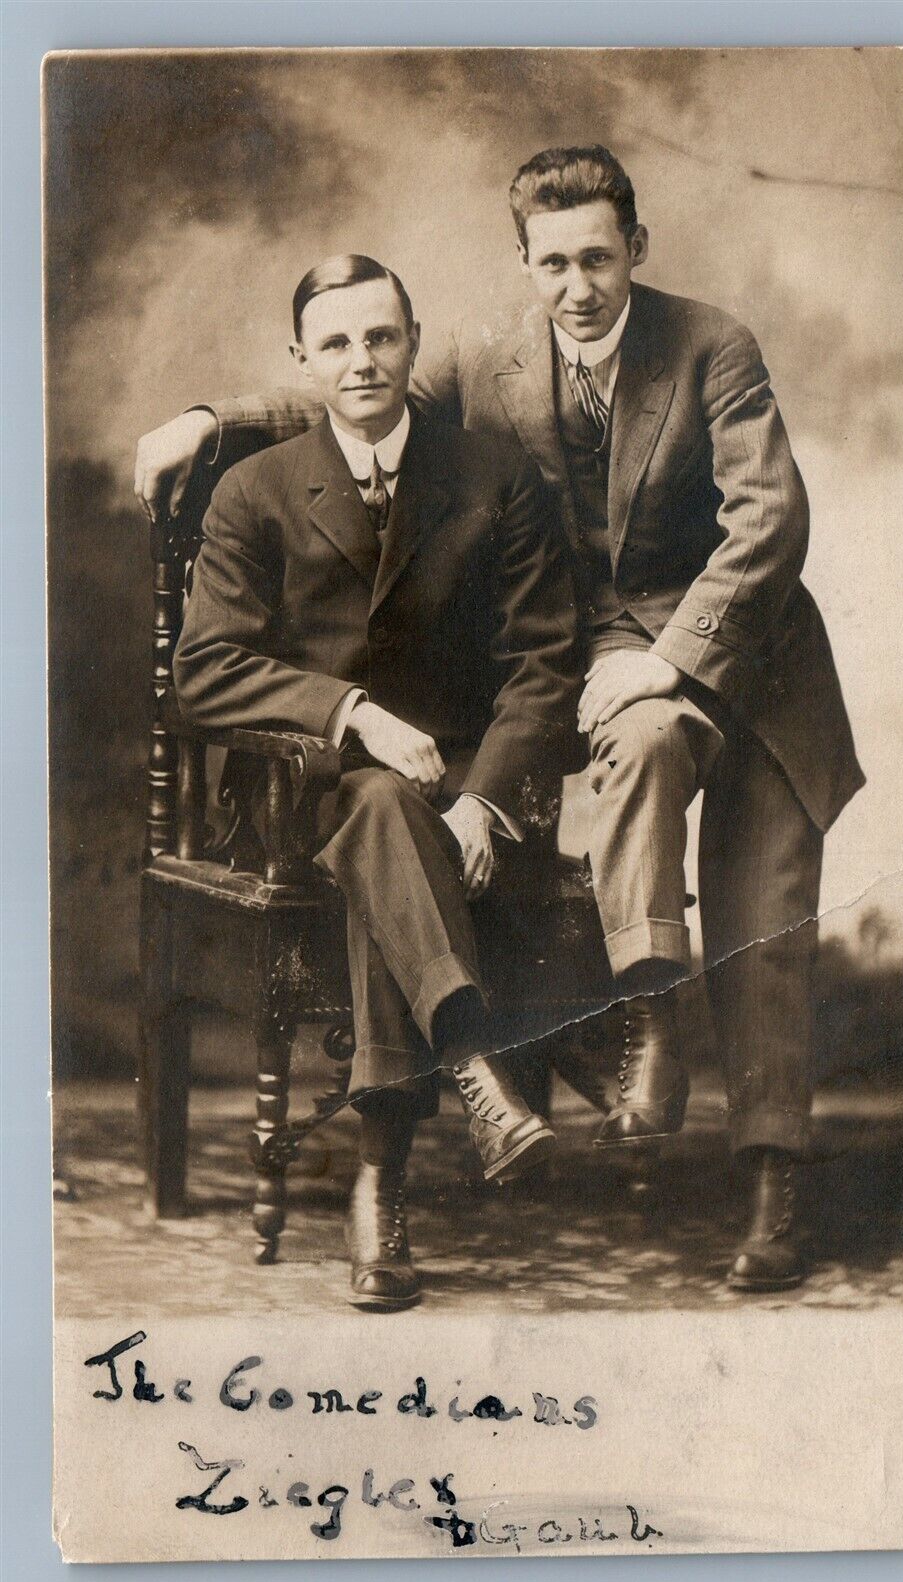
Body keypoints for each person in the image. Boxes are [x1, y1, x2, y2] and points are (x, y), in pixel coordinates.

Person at [138, 147, 865, 1291]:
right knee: (558, 765)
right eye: (552, 263)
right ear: (522, 262)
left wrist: (664, 663)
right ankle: (618, 1023)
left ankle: (770, 1188)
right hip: (600, 659)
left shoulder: (710, 346)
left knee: (762, 921)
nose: (577, 287)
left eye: (597, 258)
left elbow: (767, 522)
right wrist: (205, 419)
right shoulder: (490, 357)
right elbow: (352, 393)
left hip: (749, 652)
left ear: (635, 247)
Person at [172, 253, 582, 1311]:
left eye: (381, 337)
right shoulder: (255, 489)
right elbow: (205, 669)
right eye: (337, 342)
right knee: (375, 805)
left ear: (412, 343)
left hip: (460, 788)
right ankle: (470, 1064)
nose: (362, 360)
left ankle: (380, 1190)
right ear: (302, 358)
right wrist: (351, 711)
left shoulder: (492, 477)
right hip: (299, 789)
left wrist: (485, 799)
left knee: (391, 822)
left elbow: (545, 661)